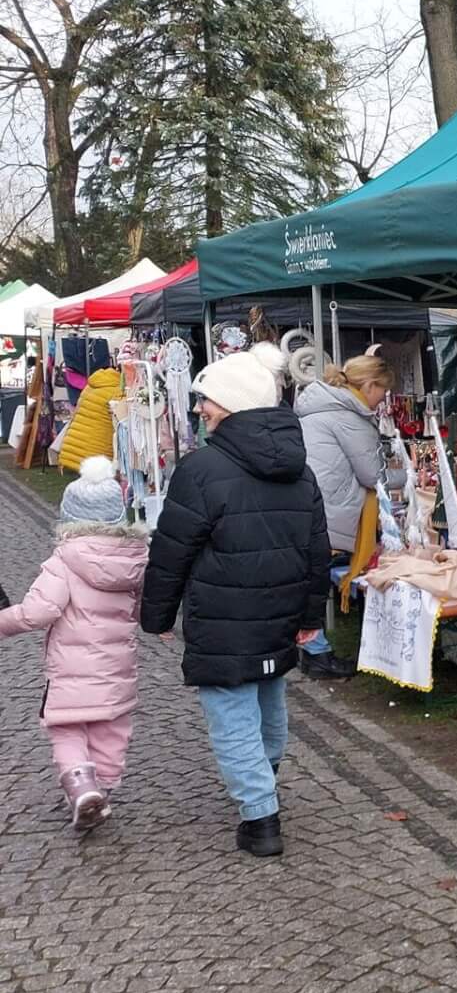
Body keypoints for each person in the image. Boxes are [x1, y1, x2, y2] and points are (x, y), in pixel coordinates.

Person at [141, 342, 330, 858]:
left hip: (222, 619)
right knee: (269, 698)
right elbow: (317, 550)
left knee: (232, 714)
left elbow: (171, 549)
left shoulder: (200, 469)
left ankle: (260, 816)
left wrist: (156, 614)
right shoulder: (301, 470)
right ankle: (262, 783)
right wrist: (311, 616)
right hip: (279, 613)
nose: (200, 409)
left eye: (209, 401)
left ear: (235, 404)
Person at [0, 457, 147, 831]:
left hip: (71, 671)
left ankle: (83, 789)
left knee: (66, 729)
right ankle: (104, 791)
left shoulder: (63, 561)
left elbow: (38, 611)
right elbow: (141, 609)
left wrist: (3, 623)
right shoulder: (135, 561)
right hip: (117, 669)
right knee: (111, 729)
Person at [294, 351, 396, 679]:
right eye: (382, 390)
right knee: (314, 581)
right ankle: (318, 654)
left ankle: (313, 650)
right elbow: (372, 475)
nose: (384, 398)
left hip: (310, 503)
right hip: (328, 508)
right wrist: (408, 475)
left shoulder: (323, 405)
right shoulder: (349, 416)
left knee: (309, 581)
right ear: (368, 385)